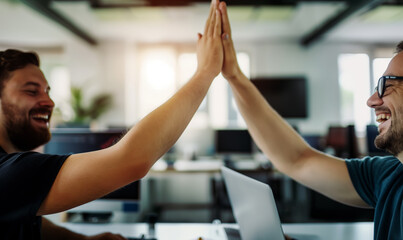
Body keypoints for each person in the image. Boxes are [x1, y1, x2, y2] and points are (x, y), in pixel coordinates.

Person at [0, 0, 224, 239]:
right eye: (32, 91)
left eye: (48, 91)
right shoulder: (7, 173)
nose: (49, 102)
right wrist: (205, 73)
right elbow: (131, 160)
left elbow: (28, 221)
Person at [217, 1, 402, 240]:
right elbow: (297, 159)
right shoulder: (389, 176)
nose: (371, 100)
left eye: (386, 85)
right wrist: (234, 76)